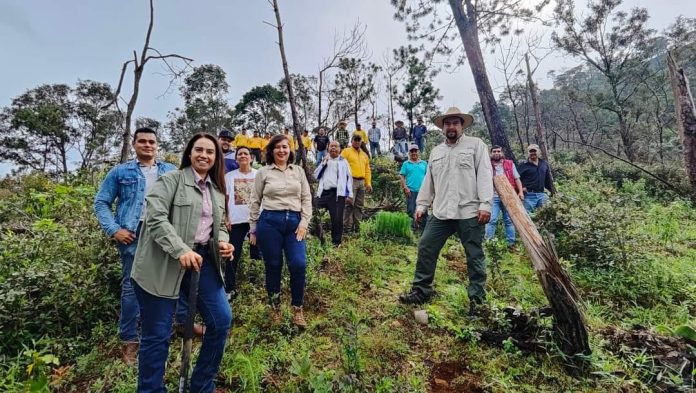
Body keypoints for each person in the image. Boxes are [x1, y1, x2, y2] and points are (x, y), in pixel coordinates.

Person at [130, 133, 234, 392]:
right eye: (199, 150)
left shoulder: (217, 190)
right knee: (158, 335)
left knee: (221, 320)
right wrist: (180, 250)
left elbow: (218, 227)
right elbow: (155, 218)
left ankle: (201, 385)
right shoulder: (171, 181)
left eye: (210, 152)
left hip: (202, 262)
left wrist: (223, 241)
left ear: (216, 157)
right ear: (189, 153)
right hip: (162, 264)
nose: (204, 155)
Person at [398, 107, 493, 317]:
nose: (451, 127)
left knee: (474, 255)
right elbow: (429, 181)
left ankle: (477, 301)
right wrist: (422, 205)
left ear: (462, 126)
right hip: (441, 212)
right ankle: (421, 291)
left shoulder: (476, 146)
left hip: (469, 211)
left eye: (455, 123)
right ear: (443, 127)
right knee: (425, 246)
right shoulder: (436, 152)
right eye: (447, 123)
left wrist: (486, 204)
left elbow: (485, 175)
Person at [94, 127, 177, 365]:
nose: (148, 145)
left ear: (157, 145)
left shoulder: (170, 171)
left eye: (152, 142)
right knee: (132, 286)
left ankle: (175, 326)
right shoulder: (120, 172)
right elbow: (101, 202)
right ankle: (130, 340)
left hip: (164, 232)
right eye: (142, 141)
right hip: (134, 233)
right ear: (134, 144)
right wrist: (114, 229)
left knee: (170, 280)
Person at [249, 135, 312, 327]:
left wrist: (304, 223)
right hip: (270, 222)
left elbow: (306, 198)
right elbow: (254, 200)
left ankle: (297, 309)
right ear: (271, 150)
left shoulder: (298, 171)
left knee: (299, 264)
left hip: (294, 223)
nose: (281, 150)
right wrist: (253, 229)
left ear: (290, 150)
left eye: (285, 147)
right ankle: (275, 308)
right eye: (277, 147)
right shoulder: (263, 173)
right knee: (273, 265)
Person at [224, 147, 261, 299]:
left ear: (251, 158)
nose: (243, 156)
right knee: (233, 254)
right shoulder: (229, 176)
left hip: (256, 220)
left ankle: (254, 284)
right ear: (236, 159)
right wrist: (226, 217)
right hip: (236, 221)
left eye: (246, 154)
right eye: (240, 154)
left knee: (256, 253)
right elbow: (225, 198)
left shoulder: (259, 174)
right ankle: (230, 288)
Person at [485, 145, 525, 248]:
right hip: (493, 196)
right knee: (492, 219)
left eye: (499, 151)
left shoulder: (509, 164)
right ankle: (489, 243)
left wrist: (520, 192)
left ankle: (511, 244)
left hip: (509, 196)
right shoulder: (487, 165)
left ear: (502, 153)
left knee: (509, 220)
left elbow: (517, 179)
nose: (497, 153)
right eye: (494, 151)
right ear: (491, 153)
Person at [314, 141, 353, 246]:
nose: (333, 148)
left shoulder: (343, 162)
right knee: (312, 208)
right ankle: (314, 235)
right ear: (328, 148)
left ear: (340, 149)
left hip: (337, 194)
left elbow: (349, 178)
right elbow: (316, 176)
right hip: (323, 193)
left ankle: (336, 242)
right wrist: (324, 163)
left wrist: (349, 194)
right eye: (331, 146)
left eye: (336, 146)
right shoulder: (325, 160)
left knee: (337, 219)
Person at [341, 135, 372, 233]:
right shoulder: (346, 152)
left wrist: (368, 183)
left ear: (361, 142)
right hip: (350, 181)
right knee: (349, 204)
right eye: (355, 140)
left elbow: (367, 170)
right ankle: (347, 228)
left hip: (361, 182)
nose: (357, 142)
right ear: (352, 141)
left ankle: (356, 228)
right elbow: (341, 167)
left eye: (359, 140)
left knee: (359, 205)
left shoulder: (364, 155)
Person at [518, 144, 557, 213]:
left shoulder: (544, 164)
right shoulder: (522, 165)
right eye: (531, 151)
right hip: (528, 196)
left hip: (542, 195)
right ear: (528, 153)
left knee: (547, 214)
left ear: (539, 152)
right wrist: (522, 188)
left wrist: (553, 192)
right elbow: (516, 179)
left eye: (534, 151)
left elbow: (547, 180)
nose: (533, 153)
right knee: (527, 216)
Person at [399, 143, 428, 231]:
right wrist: (405, 187)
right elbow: (402, 176)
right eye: (412, 151)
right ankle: (413, 229)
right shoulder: (406, 164)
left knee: (423, 210)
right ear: (409, 153)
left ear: (418, 152)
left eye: (415, 151)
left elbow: (428, 177)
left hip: (422, 191)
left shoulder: (424, 163)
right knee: (411, 210)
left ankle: (423, 229)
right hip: (410, 191)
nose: (414, 153)